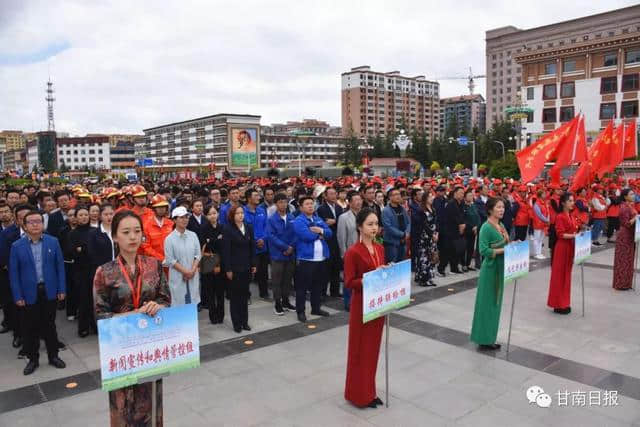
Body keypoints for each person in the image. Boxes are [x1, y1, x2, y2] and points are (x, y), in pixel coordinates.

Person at [94, 210, 170, 426]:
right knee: (123, 406)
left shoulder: (153, 265)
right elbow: (100, 316)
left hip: (149, 346)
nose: (133, 237)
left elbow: (166, 300)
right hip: (121, 348)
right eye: (126, 232)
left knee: (151, 400)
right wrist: (133, 315)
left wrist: (159, 306)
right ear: (115, 236)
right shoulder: (105, 272)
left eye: (137, 231)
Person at [9, 210, 66, 375]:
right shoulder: (17, 246)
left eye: (38, 221)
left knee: (50, 325)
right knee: (30, 328)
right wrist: (17, 296)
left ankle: (53, 356)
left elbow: (60, 267)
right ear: (24, 226)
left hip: (49, 291)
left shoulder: (53, 242)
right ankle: (33, 359)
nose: (35, 224)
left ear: (43, 224)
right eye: (31, 222)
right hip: (28, 293)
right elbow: (14, 274)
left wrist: (61, 289)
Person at [343, 208, 386, 409]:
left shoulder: (379, 248)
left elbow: (380, 271)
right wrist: (371, 277)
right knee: (360, 351)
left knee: (373, 350)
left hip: (377, 304)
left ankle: (370, 391)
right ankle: (358, 394)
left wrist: (386, 272)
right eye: (370, 224)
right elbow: (350, 282)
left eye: (376, 223)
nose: (374, 228)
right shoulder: (353, 252)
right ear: (359, 227)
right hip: (361, 306)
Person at [470, 197, 509, 350]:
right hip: (490, 269)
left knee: (495, 305)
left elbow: (506, 242)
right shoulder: (485, 228)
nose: (502, 210)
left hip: (500, 268)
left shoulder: (501, 225)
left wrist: (513, 246)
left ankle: (490, 337)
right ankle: (483, 338)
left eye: (503, 207)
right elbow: (483, 250)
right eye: (499, 207)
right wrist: (503, 250)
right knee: (486, 305)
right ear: (490, 209)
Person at [292, 196, 332, 323]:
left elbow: (329, 233)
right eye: (307, 204)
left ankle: (316, 308)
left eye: (312, 204)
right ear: (301, 207)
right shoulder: (299, 220)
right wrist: (320, 234)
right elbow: (306, 236)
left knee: (318, 286)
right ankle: (301, 311)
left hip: (320, 259)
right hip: (306, 259)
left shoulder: (317, 218)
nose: (310, 206)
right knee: (302, 288)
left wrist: (320, 230)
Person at [0, 204, 32, 350]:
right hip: (15, 279)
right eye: (22, 218)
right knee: (17, 311)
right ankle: (19, 336)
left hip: (37, 281)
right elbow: (5, 260)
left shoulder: (43, 233)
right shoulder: (7, 234)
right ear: (17, 220)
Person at [222, 205, 256, 332]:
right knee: (235, 297)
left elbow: (252, 247)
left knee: (244, 295)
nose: (241, 215)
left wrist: (253, 264)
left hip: (246, 266)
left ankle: (244, 322)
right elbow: (226, 251)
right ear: (232, 215)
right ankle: (237, 323)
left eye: (242, 213)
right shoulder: (228, 229)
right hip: (234, 268)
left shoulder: (248, 227)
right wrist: (228, 269)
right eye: (237, 213)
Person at [547, 193, 579, 314]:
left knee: (567, 276)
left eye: (573, 201)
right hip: (562, 248)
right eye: (570, 201)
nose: (572, 203)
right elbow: (561, 234)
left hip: (569, 247)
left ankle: (564, 302)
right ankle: (558, 304)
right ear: (563, 203)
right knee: (559, 276)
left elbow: (573, 230)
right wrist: (574, 235)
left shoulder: (570, 215)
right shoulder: (560, 217)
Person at [163, 206, 201, 306]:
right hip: (178, 276)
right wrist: (186, 272)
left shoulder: (193, 235)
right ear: (174, 220)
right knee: (179, 306)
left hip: (192, 275)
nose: (185, 220)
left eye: (186, 217)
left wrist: (192, 271)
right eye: (181, 217)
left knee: (192, 305)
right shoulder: (169, 239)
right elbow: (171, 260)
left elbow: (198, 255)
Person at [66, 205, 95, 337]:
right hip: (80, 271)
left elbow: (95, 251)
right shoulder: (72, 234)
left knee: (95, 300)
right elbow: (72, 252)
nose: (84, 217)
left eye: (85, 214)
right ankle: (83, 327)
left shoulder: (95, 231)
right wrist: (83, 250)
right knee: (83, 300)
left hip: (94, 269)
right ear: (76, 218)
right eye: (81, 215)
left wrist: (82, 249)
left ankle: (94, 325)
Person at [266, 193, 297, 315]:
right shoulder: (271, 219)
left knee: (287, 279)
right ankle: (277, 303)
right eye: (280, 202)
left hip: (290, 254)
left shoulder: (291, 217)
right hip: (277, 254)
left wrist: (291, 247)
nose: (283, 204)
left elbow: (296, 234)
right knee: (277, 280)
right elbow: (271, 236)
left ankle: (286, 301)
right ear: (276, 204)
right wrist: (285, 247)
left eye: (285, 202)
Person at [199, 205, 225, 323]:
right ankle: (213, 316)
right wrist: (215, 240)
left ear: (218, 214)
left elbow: (223, 246)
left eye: (214, 213)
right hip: (208, 263)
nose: (212, 216)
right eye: (209, 214)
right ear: (206, 216)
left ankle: (221, 315)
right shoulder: (203, 229)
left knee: (220, 291)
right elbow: (204, 248)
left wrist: (213, 241)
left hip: (221, 262)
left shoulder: (222, 227)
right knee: (210, 291)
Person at [337, 191, 363, 310]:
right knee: (349, 279)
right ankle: (348, 302)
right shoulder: (344, 217)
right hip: (350, 252)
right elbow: (341, 237)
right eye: (355, 200)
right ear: (350, 202)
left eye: (360, 200)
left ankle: (360, 300)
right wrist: (344, 253)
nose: (358, 202)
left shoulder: (364, 215)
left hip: (363, 250)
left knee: (361, 278)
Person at [316, 186, 344, 298]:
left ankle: (335, 291)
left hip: (337, 239)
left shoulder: (338, 207)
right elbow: (321, 223)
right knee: (325, 268)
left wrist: (334, 221)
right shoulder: (321, 209)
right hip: (327, 241)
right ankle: (322, 293)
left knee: (336, 267)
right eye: (331, 194)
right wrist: (326, 222)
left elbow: (339, 222)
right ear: (325, 196)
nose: (333, 196)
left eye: (334, 194)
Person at [243, 189, 269, 299]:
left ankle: (264, 293)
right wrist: (254, 240)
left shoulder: (262, 211)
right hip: (249, 247)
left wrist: (263, 239)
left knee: (263, 272)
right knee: (248, 273)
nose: (258, 197)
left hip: (262, 247)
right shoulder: (242, 212)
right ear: (249, 198)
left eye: (258, 195)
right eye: (255, 196)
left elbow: (267, 227)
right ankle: (246, 295)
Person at [613, 188, 638, 291]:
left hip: (630, 235)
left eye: (633, 194)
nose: (633, 195)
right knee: (623, 260)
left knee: (629, 259)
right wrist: (635, 218)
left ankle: (627, 283)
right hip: (624, 235)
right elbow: (626, 223)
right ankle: (621, 283)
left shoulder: (630, 205)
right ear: (625, 196)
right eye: (631, 194)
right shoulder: (624, 207)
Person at [438, 187, 465, 276]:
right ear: (455, 193)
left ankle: (454, 268)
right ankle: (441, 269)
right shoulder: (451, 203)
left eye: (463, 193)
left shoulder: (460, 203)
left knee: (455, 250)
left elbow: (461, 215)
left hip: (456, 231)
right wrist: (460, 224)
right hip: (449, 231)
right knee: (446, 251)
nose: (462, 195)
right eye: (460, 193)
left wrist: (462, 224)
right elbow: (454, 217)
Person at [414, 192, 438, 287]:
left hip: (433, 236)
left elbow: (436, 222)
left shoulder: (433, 209)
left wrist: (436, 233)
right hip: (424, 237)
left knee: (432, 257)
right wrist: (431, 234)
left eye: (432, 196)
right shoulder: (421, 210)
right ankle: (423, 278)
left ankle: (430, 277)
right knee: (424, 257)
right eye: (430, 196)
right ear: (425, 198)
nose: (432, 198)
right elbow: (423, 224)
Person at [140, 195, 173, 262]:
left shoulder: (171, 224)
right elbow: (146, 247)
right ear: (153, 208)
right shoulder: (146, 226)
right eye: (159, 207)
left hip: (171, 262)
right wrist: (161, 258)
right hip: (153, 263)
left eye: (163, 207)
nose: (162, 209)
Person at [382, 188, 410, 263]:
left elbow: (408, 222)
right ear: (390, 197)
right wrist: (403, 234)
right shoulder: (386, 210)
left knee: (400, 264)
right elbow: (388, 227)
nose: (398, 196)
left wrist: (407, 232)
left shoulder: (402, 209)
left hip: (403, 242)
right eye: (395, 195)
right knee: (392, 265)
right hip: (391, 243)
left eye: (399, 194)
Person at [462, 189, 480, 272]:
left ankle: (468, 264)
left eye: (472, 196)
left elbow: (478, 217)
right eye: (469, 196)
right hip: (466, 230)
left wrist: (477, 226)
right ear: (465, 197)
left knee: (471, 248)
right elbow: (464, 219)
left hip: (474, 230)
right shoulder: (463, 206)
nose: (471, 197)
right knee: (464, 247)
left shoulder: (474, 206)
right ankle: (463, 264)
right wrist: (471, 227)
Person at [532, 190, 550, 260]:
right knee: (537, 239)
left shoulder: (544, 203)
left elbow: (547, 212)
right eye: (543, 194)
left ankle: (539, 253)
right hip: (538, 224)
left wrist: (547, 219)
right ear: (540, 195)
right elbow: (539, 214)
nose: (545, 195)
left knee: (540, 239)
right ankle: (536, 253)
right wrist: (546, 220)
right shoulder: (536, 204)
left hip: (543, 224)